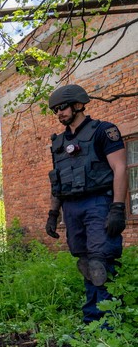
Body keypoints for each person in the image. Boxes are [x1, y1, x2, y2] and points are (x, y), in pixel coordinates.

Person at [44, 84, 127, 324]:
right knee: (85, 262)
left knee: (101, 261)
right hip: (72, 206)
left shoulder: (104, 131)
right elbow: (57, 181)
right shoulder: (58, 143)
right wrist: (53, 213)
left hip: (98, 202)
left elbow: (120, 168)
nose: (58, 113)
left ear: (78, 105)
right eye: (55, 110)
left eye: (62, 107)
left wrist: (118, 207)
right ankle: (92, 319)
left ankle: (109, 324)